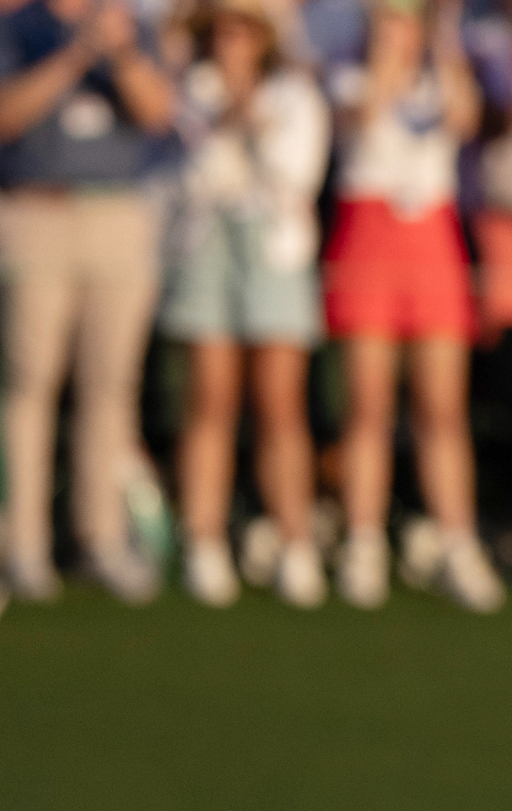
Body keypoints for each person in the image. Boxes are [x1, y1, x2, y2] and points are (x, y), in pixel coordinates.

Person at [323, 0, 504, 612]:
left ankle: (457, 541)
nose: (403, 28)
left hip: (432, 240)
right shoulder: (349, 74)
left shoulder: (444, 75)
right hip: (369, 238)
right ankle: (364, 541)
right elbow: (363, 115)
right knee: (368, 406)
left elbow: (464, 118)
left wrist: (445, 42)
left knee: (442, 408)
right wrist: (387, 59)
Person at [0, 0, 176, 605]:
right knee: (28, 382)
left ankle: (100, 536)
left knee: (111, 383)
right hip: (35, 212)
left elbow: (157, 113)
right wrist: (76, 53)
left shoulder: (135, 30)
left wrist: (120, 52)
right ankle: (20, 544)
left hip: (118, 215)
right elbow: (6, 116)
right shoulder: (18, 29)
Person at [163, 0, 329, 609]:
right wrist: (227, 110)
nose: (232, 40)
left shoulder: (294, 95)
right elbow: (194, 172)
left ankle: (296, 543)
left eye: (243, 29)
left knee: (280, 405)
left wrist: (248, 113)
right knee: (211, 401)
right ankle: (202, 543)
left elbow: (294, 171)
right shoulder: (192, 89)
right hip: (209, 244)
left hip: (274, 251)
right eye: (223, 29)